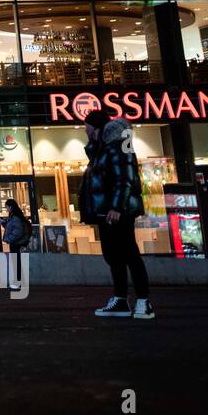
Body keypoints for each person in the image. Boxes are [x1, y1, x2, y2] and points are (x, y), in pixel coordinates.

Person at [79, 108, 154, 319]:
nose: (86, 133)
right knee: (114, 256)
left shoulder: (121, 142)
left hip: (118, 211)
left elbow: (125, 177)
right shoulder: (102, 149)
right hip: (105, 212)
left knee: (129, 253)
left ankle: (143, 301)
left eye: (87, 129)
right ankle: (121, 299)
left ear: (96, 128)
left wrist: (117, 206)